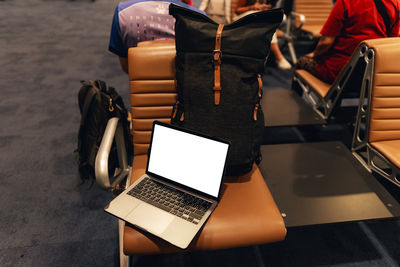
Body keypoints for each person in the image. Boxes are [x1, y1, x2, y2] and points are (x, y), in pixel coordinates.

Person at [295, 0, 400, 84]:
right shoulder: (395, 3)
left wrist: (314, 54)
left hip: (339, 72)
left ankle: (295, 104)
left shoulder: (346, 2)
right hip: (371, 75)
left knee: (301, 62)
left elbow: (326, 42)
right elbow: (390, 43)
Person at [109, 0, 204, 73]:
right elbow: (199, 66)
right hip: (188, 91)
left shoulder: (122, 12)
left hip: (142, 90)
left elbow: (127, 67)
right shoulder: (199, 17)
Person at [234, 0, 292, 70]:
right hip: (242, 18)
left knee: (281, 16)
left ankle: (266, 58)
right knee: (264, 22)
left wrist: (266, 9)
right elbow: (237, 10)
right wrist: (252, 7)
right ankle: (278, 56)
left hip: (259, 18)